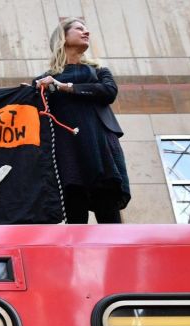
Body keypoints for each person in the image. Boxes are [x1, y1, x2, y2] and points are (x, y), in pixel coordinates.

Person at [34, 18, 130, 225]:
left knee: (109, 212)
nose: (86, 32)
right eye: (79, 29)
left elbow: (109, 92)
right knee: (74, 213)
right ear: (63, 37)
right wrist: (27, 91)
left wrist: (65, 86)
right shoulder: (45, 79)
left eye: (86, 29)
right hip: (67, 149)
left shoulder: (99, 71)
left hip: (100, 145)